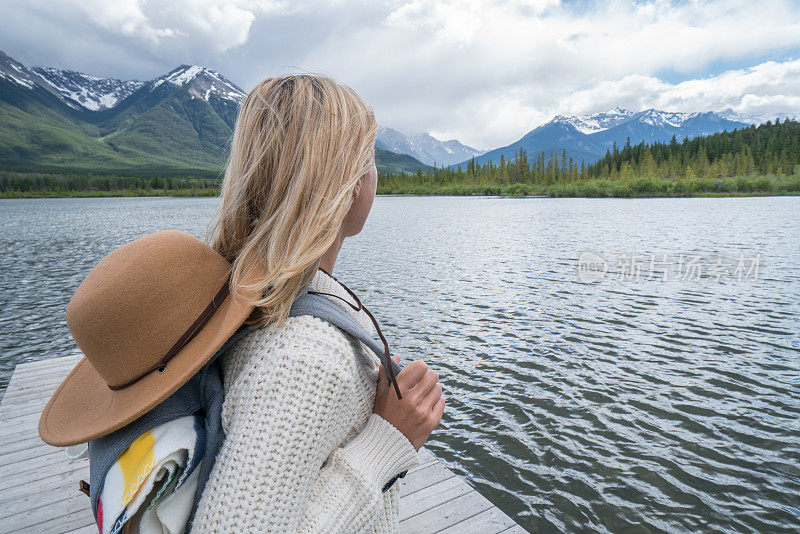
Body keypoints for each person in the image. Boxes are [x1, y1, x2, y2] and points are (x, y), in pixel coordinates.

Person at [190, 74, 445, 532]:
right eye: (369, 159)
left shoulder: (249, 294)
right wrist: (389, 438)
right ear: (348, 186)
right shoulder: (308, 357)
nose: (375, 174)